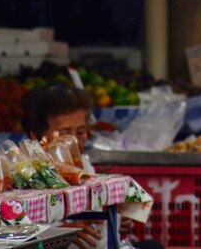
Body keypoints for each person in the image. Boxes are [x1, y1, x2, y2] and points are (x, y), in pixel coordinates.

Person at [21, 84, 164, 249]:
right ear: (35, 135)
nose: (74, 141)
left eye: (81, 133)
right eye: (64, 134)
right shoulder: (23, 176)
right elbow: (11, 240)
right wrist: (54, 235)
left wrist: (114, 219)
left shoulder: (84, 167)